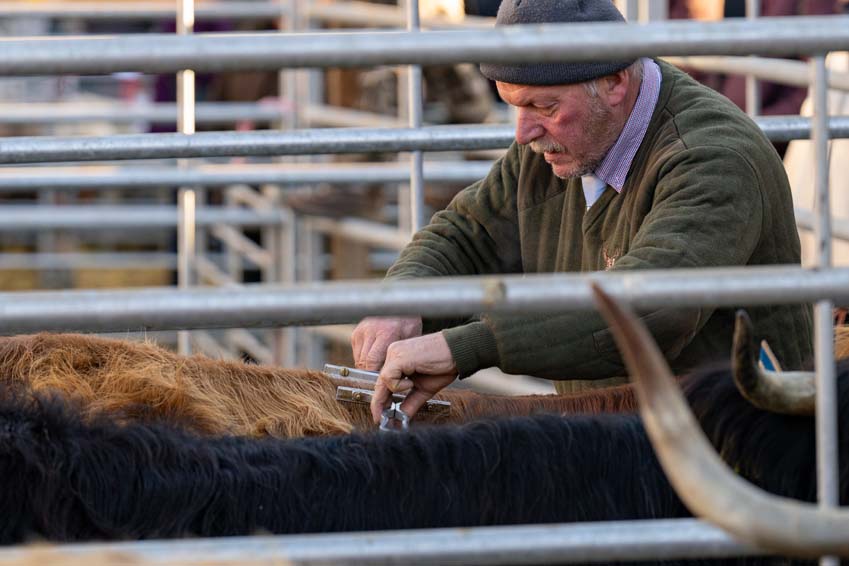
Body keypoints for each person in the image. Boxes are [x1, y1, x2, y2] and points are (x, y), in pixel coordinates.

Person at [350, 0, 813, 423]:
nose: (523, 133)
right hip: (624, 435)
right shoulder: (560, 144)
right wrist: (406, 300)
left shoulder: (713, 158)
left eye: (542, 106)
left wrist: (467, 346)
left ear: (614, 82)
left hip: (738, 445)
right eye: (514, 104)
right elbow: (470, 234)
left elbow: (654, 306)